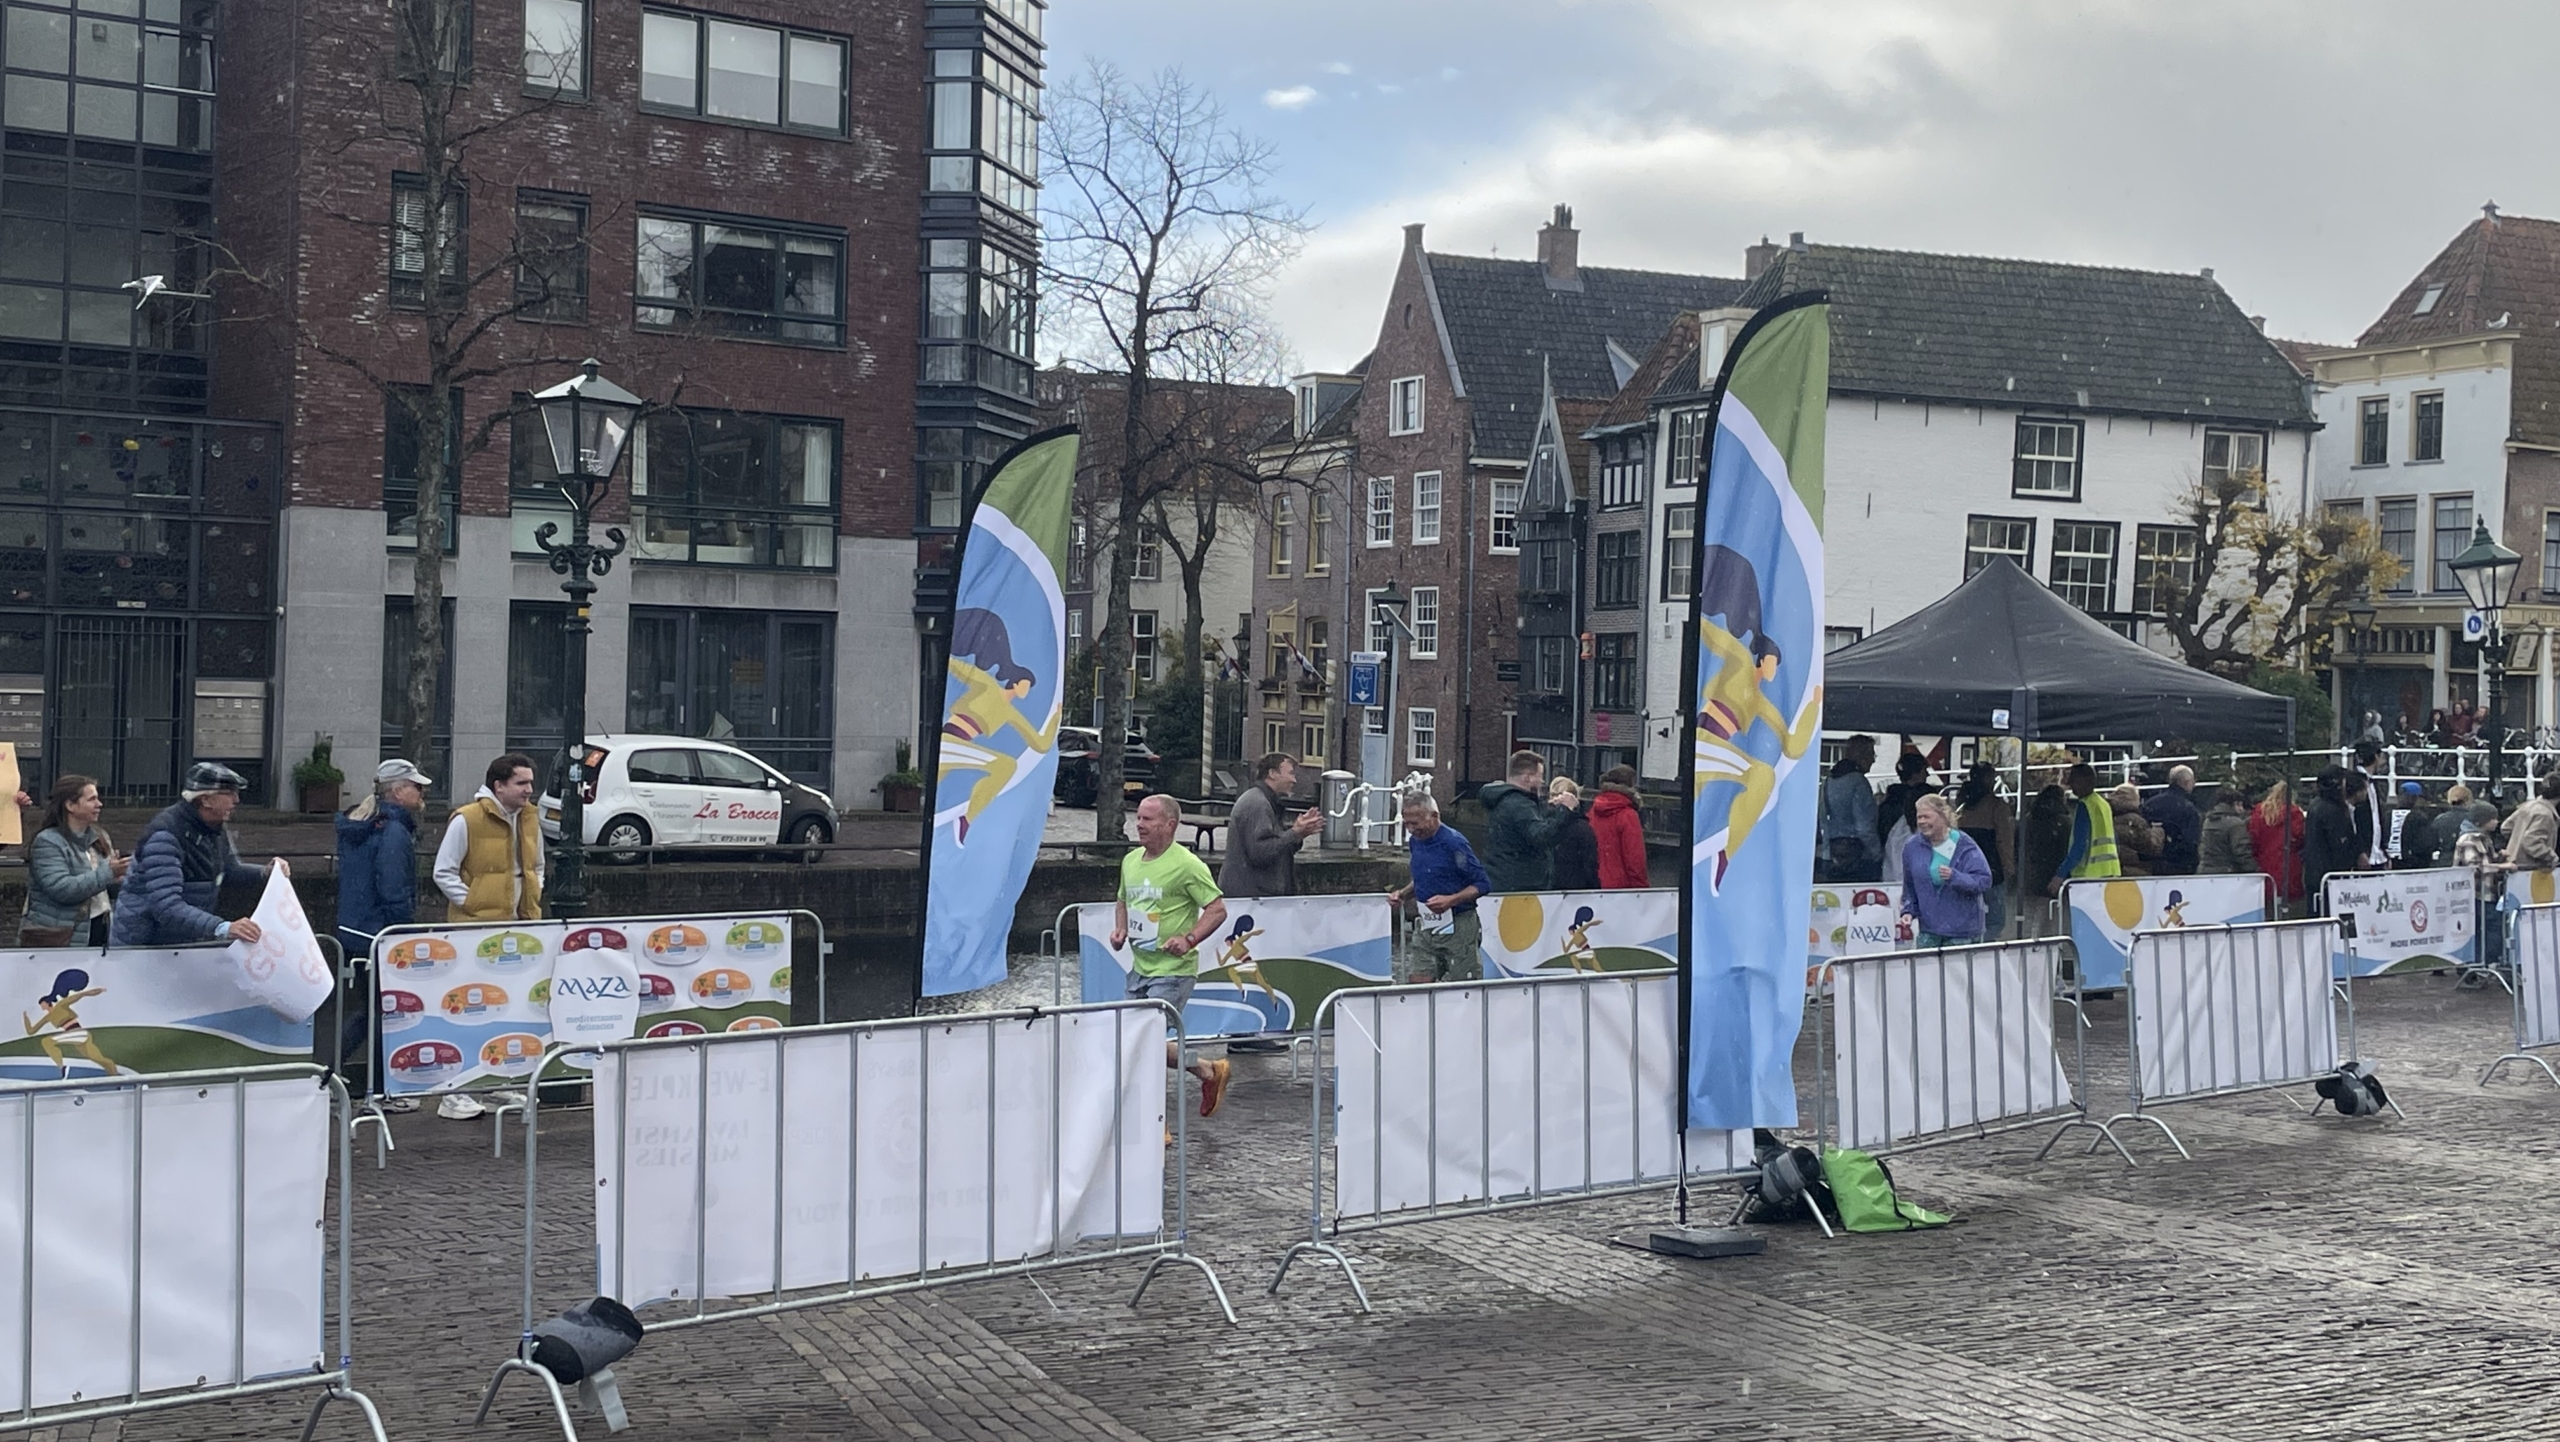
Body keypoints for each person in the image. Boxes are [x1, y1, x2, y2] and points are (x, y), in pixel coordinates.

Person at [1108, 794, 1232, 1117]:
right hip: (1140, 968)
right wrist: (1120, 930)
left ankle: (1155, 1123)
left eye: (1147, 819)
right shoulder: (1131, 861)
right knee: (1133, 1041)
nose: (1139, 824)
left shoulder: (1188, 865)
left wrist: (1189, 939)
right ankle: (1208, 1070)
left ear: (1169, 824)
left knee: (1145, 1043)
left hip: (1174, 971)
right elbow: (1122, 900)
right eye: (1137, 818)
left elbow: (1217, 910)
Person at [108, 761, 273, 948]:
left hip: (179, 942)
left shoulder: (214, 827)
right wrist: (222, 927)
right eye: (228, 793)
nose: (236, 800)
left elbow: (229, 869)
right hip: (144, 946)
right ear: (206, 800)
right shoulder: (165, 836)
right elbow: (166, 906)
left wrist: (267, 872)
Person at [336, 759, 429, 1079]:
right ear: (399, 791)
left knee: (370, 1010)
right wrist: (404, 933)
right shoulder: (393, 831)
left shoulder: (360, 824)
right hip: (380, 935)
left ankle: (329, 1072)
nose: (422, 791)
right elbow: (394, 888)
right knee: (381, 1013)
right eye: (416, 786)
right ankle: (373, 1087)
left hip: (354, 930)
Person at [937, 607, 1058, 847]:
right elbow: (957, 668)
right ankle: (964, 820)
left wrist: (1056, 716)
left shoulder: (1009, 713)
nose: (1027, 689)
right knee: (1004, 765)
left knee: (1003, 766)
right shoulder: (988, 685)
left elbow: (1040, 743)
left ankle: (966, 819)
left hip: (959, 745)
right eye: (1027, 683)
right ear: (1017, 680)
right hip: (949, 740)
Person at [1387, 791, 1491, 984]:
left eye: (1415, 823)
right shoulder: (1416, 842)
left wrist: (1451, 900)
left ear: (1434, 816)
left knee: (1463, 987)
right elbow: (1424, 878)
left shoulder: (1454, 842)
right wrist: (1403, 894)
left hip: (1459, 925)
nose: (1410, 829)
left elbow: (1483, 884)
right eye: (1406, 823)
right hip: (1427, 924)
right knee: (1418, 982)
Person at [435, 753, 543, 922]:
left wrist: (535, 890)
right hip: (476, 926)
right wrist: (472, 904)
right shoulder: (466, 819)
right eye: (521, 783)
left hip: (524, 921)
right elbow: (443, 871)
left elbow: (537, 866)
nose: (529, 790)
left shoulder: (530, 819)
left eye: (530, 783)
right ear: (499, 786)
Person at [24, 775, 125, 947]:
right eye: (91, 799)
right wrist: (109, 872)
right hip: (58, 936)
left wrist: (122, 878)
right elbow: (62, 889)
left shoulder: (100, 838)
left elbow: (101, 887)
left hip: (99, 928)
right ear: (70, 805)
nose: (99, 804)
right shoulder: (47, 841)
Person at [1217, 752, 1324, 898]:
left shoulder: (1265, 802)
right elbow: (1260, 853)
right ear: (1272, 773)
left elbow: (1277, 848)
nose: (1294, 780)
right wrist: (1294, 833)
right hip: (1253, 899)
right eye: (1291, 773)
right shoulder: (1258, 804)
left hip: (1257, 896)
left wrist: (1299, 834)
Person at [1898, 794, 1992, 948]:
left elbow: (1984, 880)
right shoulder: (1912, 847)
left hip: (1962, 933)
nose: (1922, 822)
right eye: (1919, 817)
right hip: (1929, 931)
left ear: (1942, 816)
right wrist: (1908, 912)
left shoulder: (1964, 844)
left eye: (1927, 817)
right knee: (1926, 972)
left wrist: (1955, 877)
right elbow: (1909, 887)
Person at [1477, 750, 1569, 893]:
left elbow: (1523, 826)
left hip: (1500, 879)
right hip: (1520, 886)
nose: (1542, 781)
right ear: (1527, 778)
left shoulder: (1502, 799)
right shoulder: (1521, 805)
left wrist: (1550, 809)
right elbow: (1541, 837)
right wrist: (1565, 811)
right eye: (1540, 776)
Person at [1953, 762, 2015, 939]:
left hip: (1964, 868)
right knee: (1996, 920)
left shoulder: (1961, 805)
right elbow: (2004, 840)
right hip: (1991, 867)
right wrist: (2008, 867)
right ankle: (1980, 947)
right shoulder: (1996, 806)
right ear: (1989, 778)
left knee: (1968, 915)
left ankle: (1968, 943)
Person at [2046, 763, 2119, 895]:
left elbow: (2080, 845)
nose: (2071, 786)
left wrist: (2060, 874)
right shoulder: (2103, 804)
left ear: (2083, 781)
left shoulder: (2084, 806)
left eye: (2073, 782)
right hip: (2111, 872)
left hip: (2088, 877)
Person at [1817, 735, 1880, 883]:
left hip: (1832, 853)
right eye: (1871, 754)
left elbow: (1823, 819)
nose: (1873, 759)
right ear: (1861, 755)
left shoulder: (1829, 780)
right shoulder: (1858, 782)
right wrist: (1877, 852)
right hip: (1858, 856)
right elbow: (1864, 827)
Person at [2303, 766, 2360, 911]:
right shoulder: (2333, 811)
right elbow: (2340, 846)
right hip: (2330, 876)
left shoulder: (2315, 806)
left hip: (2314, 874)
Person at [2249, 779, 2307, 913]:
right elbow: (2299, 840)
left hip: (2265, 866)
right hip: (2289, 868)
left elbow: (2253, 840)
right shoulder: (2295, 814)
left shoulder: (2260, 813)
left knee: (2267, 911)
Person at [1588, 765, 1649, 889]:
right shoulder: (1628, 815)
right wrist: (1641, 889)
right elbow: (1635, 859)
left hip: (1594, 883)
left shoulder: (1592, 811)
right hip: (1621, 887)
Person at [2022, 783, 2074, 917]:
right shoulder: (2065, 822)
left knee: (2035, 917)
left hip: (2033, 873)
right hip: (2056, 874)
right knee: (2057, 918)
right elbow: (2067, 849)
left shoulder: (2029, 819)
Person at [2139, 765, 2202, 876]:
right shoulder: (2189, 808)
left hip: (2151, 864)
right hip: (2181, 866)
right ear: (2186, 782)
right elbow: (2191, 842)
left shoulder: (2150, 804)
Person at [1875, 751, 1932, 869]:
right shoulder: (1917, 805)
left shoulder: (1887, 803)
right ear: (1915, 774)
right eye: (1924, 770)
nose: (1927, 775)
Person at [2500, 770, 2560, 872]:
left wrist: (2517, 841)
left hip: (2513, 864)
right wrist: (2552, 856)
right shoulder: (2545, 815)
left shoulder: (2528, 806)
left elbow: (2506, 828)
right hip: (2530, 868)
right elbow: (2532, 843)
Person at [1548, 777, 1601, 890]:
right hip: (1575, 890)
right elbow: (1590, 864)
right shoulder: (1582, 828)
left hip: (1544, 892)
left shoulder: (1540, 823)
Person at [2197, 787, 2257, 875]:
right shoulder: (2235, 824)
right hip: (2227, 872)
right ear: (2233, 804)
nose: (2242, 809)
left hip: (2205, 871)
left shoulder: (2208, 820)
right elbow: (2241, 852)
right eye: (2239, 804)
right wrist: (2254, 870)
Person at [2107, 784, 2162, 877]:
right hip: (2137, 872)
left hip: (2113, 869)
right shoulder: (2137, 821)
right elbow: (2150, 847)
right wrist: (2158, 834)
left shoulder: (2108, 817)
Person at [2389, 781, 2439, 871]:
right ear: (2416, 798)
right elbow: (2426, 844)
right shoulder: (2419, 817)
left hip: (2388, 863)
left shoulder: (2387, 815)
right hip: (2412, 866)